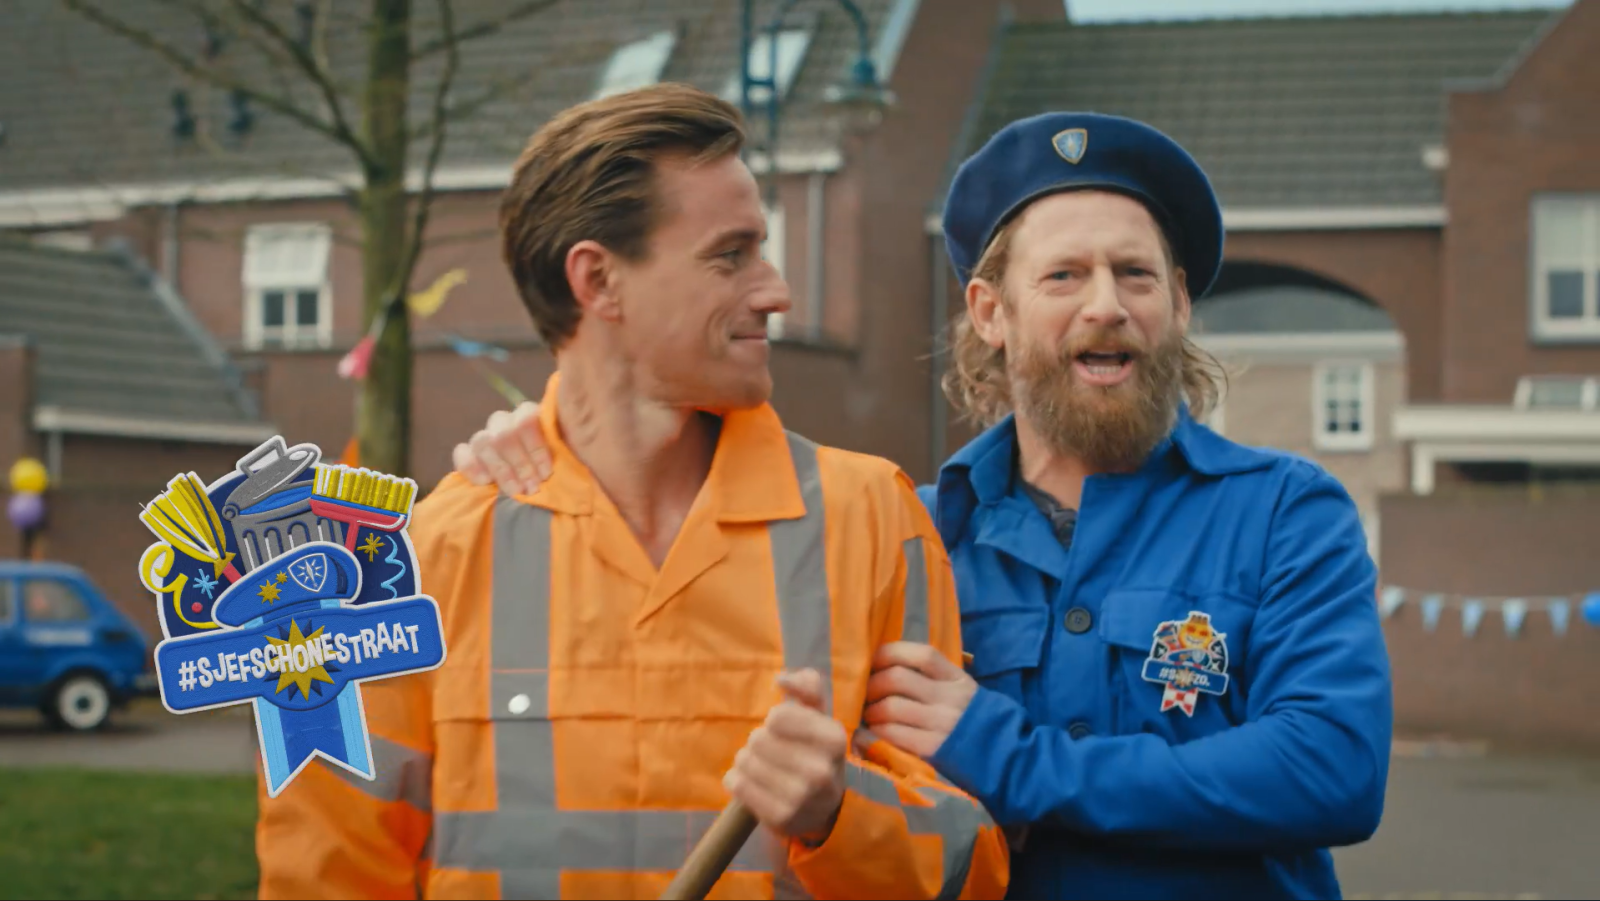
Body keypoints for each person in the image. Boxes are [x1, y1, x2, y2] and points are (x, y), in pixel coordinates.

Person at [451, 110, 1394, 900]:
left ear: (1180, 303)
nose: (1106, 304)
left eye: (1137, 274)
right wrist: (557, 450)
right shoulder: (911, 529)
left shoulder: (1283, 513)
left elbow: (1330, 770)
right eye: (1064, 276)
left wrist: (1010, 754)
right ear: (990, 311)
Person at [256, 84, 1008, 901]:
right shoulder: (399, 572)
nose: (776, 292)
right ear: (598, 281)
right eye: (732, 254)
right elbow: (324, 876)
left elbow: (972, 868)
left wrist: (839, 811)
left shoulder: (874, 519)